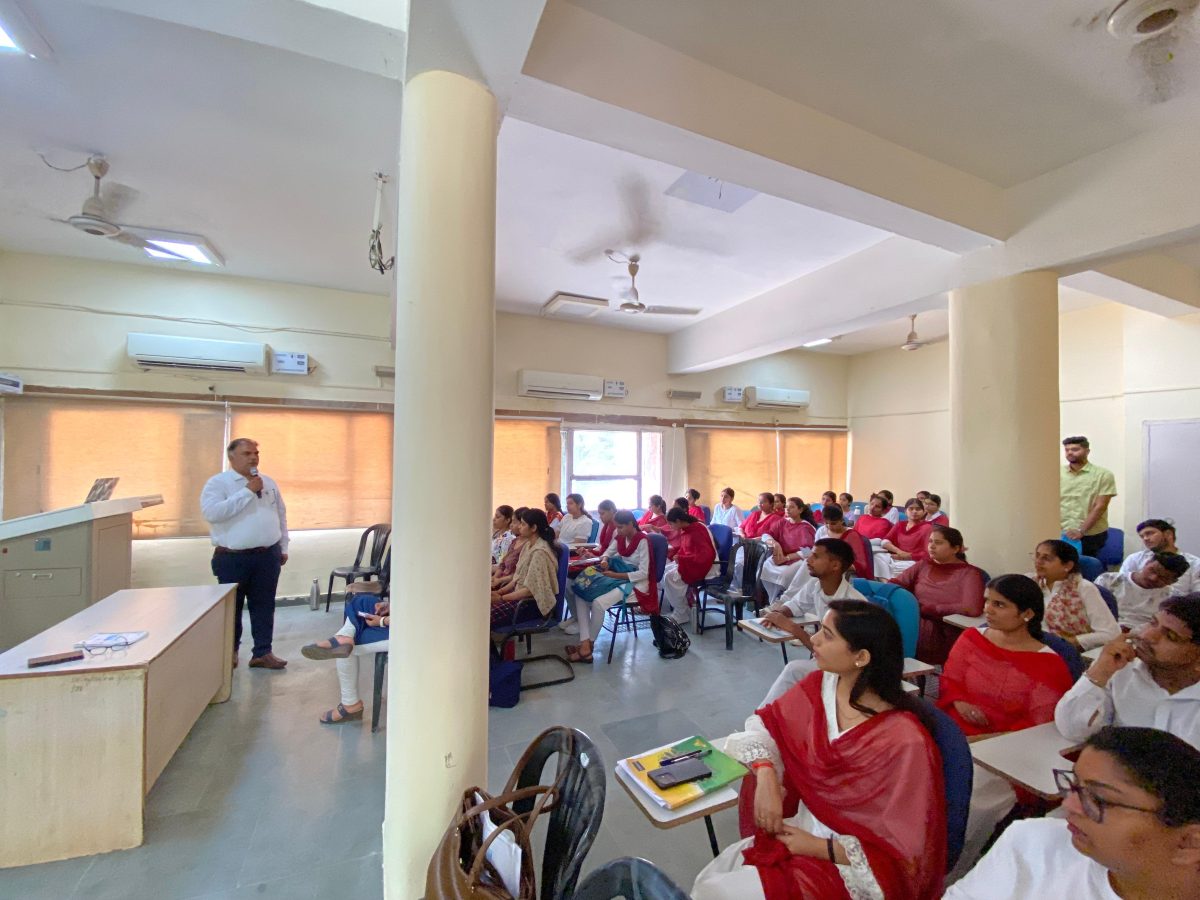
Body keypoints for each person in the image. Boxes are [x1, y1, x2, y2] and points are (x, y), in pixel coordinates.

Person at [692, 602, 946, 900]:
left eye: (827, 634)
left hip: (849, 861)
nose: (813, 640)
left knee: (721, 891)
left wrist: (819, 847)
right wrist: (766, 774)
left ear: (861, 657)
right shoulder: (820, 688)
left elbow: (905, 853)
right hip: (800, 829)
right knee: (711, 880)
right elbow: (764, 724)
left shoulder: (905, 741)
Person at [944, 727, 1200, 900]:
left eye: (1099, 799)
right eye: (1075, 786)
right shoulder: (1032, 844)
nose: (1069, 805)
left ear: (1188, 843)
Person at [938, 574, 1075, 876]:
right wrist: (959, 701)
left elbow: (1040, 726)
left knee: (968, 802)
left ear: (1027, 614)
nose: (987, 609)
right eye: (987, 601)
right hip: (956, 730)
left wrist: (988, 741)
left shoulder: (1048, 664)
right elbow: (950, 679)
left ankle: (950, 872)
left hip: (1007, 751)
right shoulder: (972, 638)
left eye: (999, 605)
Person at [1055, 593, 1200, 749]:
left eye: (1171, 636)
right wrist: (1099, 672)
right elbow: (1073, 731)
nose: (1147, 636)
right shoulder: (1120, 666)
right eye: (1153, 623)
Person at [200, 437, 289, 670]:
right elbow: (213, 514)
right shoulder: (218, 484)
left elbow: (280, 515)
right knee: (233, 608)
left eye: (256, 453)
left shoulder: (268, 482)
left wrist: (283, 546)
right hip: (233, 558)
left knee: (264, 606)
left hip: (267, 556)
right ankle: (230, 652)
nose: (253, 458)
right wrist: (247, 492)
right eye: (247, 453)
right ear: (232, 457)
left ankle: (263, 652)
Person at [759, 540, 869, 699]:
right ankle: (769, 714)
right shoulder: (815, 585)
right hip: (827, 661)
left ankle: (765, 715)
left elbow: (834, 656)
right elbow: (795, 605)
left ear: (835, 566)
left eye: (816, 557)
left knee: (793, 670)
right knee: (795, 673)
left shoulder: (852, 605)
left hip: (847, 671)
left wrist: (794, 629)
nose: (808, 560)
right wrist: (778, 614)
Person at [890, 525, 986, 665]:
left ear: (956, 548)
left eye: (938, 543)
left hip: (943, 628)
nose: (932, 546)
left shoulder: (970, 573)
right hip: (915, 618)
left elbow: (972, 608)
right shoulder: (924, 565)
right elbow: (896, 584)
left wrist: (932, 609)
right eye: (930, 541)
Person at [568, 510, 656, 662]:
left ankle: (588, 645)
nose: (618, 531)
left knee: (598, 603)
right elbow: (607, 553)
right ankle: (585, 643)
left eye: (621, 527)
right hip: (618, 575)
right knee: (580, 594)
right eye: (617, 527)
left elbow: (643, 573)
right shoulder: (621, 537)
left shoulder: (643, 541)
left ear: (631, 524)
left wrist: (615, 575)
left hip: (636, 583)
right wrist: (604, 560)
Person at [301, 589, 390, 724]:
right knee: (361, 600)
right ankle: (345, 636)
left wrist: (383, 621)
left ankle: (350, 705)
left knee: (348, 648)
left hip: (408, 630)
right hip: (401, 618)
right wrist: (389, 607)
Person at [1033, 539, 1120, 650]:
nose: (1038, 561)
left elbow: (1111, 634)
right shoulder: (1030, 585)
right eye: (1037, 556)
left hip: (1069, 652)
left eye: (1046, 558)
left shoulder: (1083, 588)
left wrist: (1068, 642)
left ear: (1068, 566)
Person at [489, 508, 559, 630]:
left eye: (523, 524)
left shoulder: (540, 552)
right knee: (482, 610)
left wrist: (501, 598)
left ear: (533, 528)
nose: (519, 527)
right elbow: (518, 577)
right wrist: (500, 592)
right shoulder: (528, 545)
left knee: (484, 618)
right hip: (519, 597)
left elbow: (530, 591)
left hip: (531, 604)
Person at [1098, 551, 1190, 630]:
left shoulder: (1172, 599)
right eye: (1152, 570)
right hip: (1104, 628)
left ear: (1173, 581)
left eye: (1163, 577)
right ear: (1147, 563)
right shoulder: (1108, 580)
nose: (1153, 578)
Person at [1060, 436, 1118, 559]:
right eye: (1067, 450)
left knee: (1085, 565)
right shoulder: (1057, 473)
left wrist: (1081, 531)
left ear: (1087, 451)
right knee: (1059, 565)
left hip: (1090, 534)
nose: (1070, 452)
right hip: (1061, 531)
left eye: (1075, 449)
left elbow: (1100, 506)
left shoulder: (1103, 475)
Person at [659, 508, 718, 626]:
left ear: (678, 521)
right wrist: (679, 556)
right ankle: (684, 608)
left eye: (671, 524)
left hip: (708, 566)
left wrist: (682, 558)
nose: (670, 526)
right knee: (663, 572)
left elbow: (705, 556)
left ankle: (681, 613)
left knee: (669, 577)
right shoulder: (687, 529)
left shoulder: (697, 530)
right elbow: (686, 549)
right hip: (693, 562)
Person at [1120, 518, 1200, 596]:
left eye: (1150, 533)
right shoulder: (1134, 559)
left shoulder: (1194, 563)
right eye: (1142, 536)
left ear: (1168, 534)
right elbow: (1121, 585)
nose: (1145, 538)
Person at [760, 497, 817, 602]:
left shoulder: (806, 527)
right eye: (786, 507)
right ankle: (772, 600)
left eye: (792, 507)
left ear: (800, 510)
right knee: (765, 567)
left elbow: (808, 551)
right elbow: (766, 535)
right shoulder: (782, 522)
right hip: (780, 556)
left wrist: (787, 558)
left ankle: (782, 601)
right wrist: (775, 543)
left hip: (798, 560)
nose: (788, 509)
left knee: (784, 575)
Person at [812, 504, 873, 580]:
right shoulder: (822, 531)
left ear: (841, 521)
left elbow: (860, 563)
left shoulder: (851, 535)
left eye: (833, 523)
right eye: (826, 523)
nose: (829, 526)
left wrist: (833, 566)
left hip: (842, 570)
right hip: (824, 566)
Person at [880, 497, 933, 570]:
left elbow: (928, 553)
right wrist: (899, 552)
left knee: (887, 568)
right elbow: (885, 541)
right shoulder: (900, 525)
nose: (914, 511)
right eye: (911, 509)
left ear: (924, 512)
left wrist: (908, 556)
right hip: (898, 557)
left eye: (918, 509)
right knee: (877, 558)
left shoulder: (927, 528)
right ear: (905, 511)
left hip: (915, 561)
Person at [491, 506, 528, 586]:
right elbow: (502, 564)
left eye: (498, 517)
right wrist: (494, 578)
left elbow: (516, 574)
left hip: (506, 582)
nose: (494, 519)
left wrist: (497, 580)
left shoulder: (509, 538)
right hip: (500, 577)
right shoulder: (513, 541)